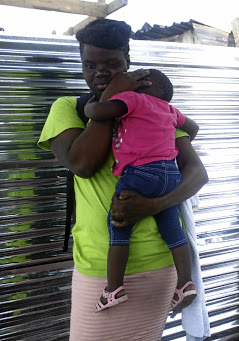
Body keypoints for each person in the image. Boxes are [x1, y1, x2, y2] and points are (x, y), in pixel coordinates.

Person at [37, 18, 208, 340]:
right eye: (90, 64)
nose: (99, 72)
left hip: (161, 260)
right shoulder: (70, 109)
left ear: (128, 63)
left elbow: (197, 172)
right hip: (100, 265)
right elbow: (83, 164)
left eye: (112, 64)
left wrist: (153, 205)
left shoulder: (154, 108)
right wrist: (111, 99)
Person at [84, 69, 198, 312]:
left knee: (118, 223)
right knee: (173, 230)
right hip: (170, 175)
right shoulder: (169, 110)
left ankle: (113, 289)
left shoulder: (135, 100)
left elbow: (99, 112)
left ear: (142, 87)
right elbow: (193, 128)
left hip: (141, 173)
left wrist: (90, 106)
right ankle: (185, 282)